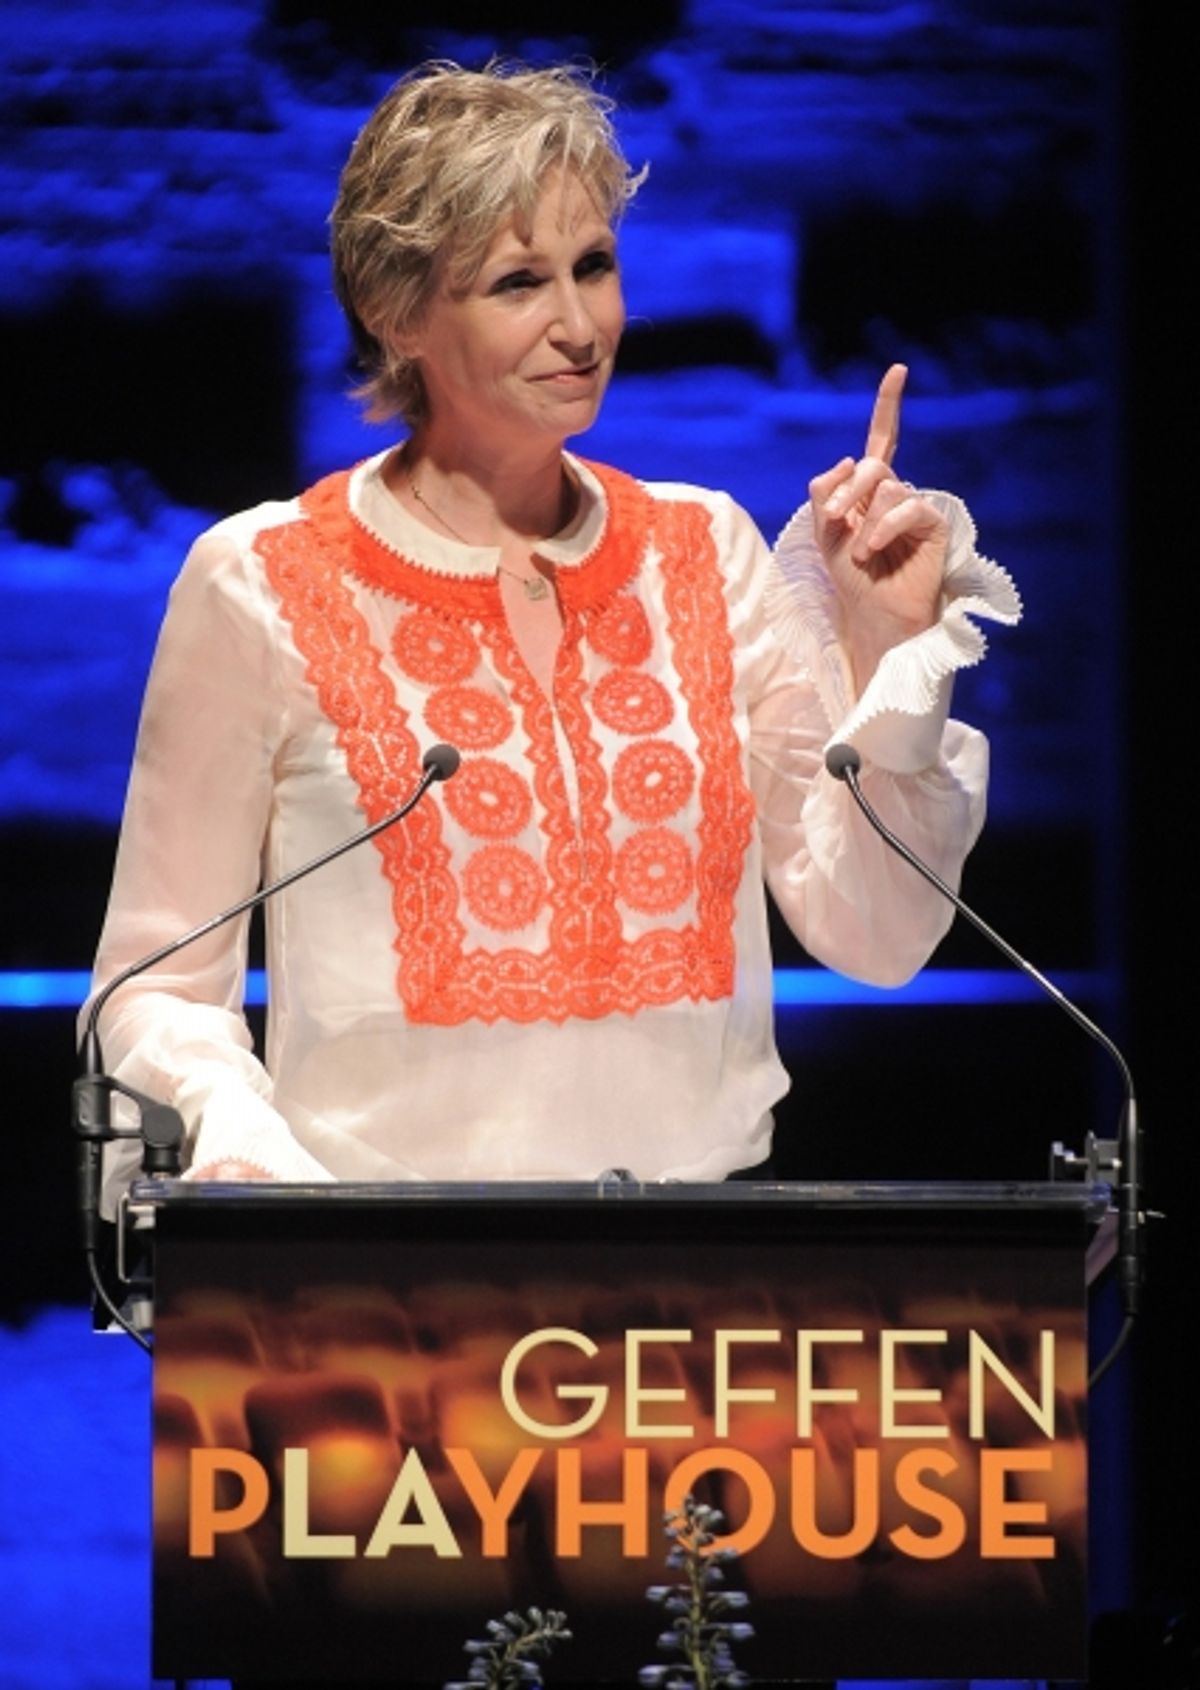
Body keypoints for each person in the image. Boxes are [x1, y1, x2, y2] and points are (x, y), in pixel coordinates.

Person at [88, 60, 1018, 1209]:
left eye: (595, 267)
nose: (580, 326)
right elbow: (154, 984)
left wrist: (892, 663)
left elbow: (876, 935)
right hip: (378, 1301)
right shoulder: (261, 580)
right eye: (519, 281)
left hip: (704, 1291)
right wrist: (239, 1132)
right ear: (398, 312)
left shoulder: (708, 551)